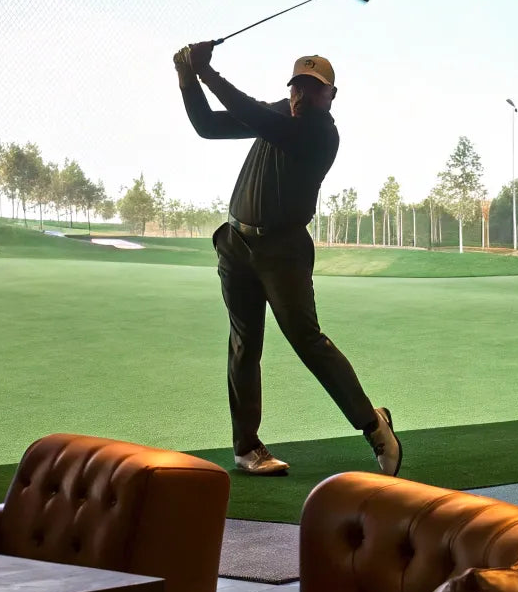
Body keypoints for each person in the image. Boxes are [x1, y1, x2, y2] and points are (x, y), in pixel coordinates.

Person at [172, 41, 402, 477]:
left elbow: (255, 116)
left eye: (312, 90)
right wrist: (187, 78)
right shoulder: (280, 112)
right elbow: (207, 125)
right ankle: (246, 448)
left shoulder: (320, 134)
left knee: (306, 340)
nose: (300, 96)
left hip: (284, 252)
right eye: (296, 86)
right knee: (243, 346)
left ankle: (375, 428)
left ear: (330, 96)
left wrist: (208, 72)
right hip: (236, 245)